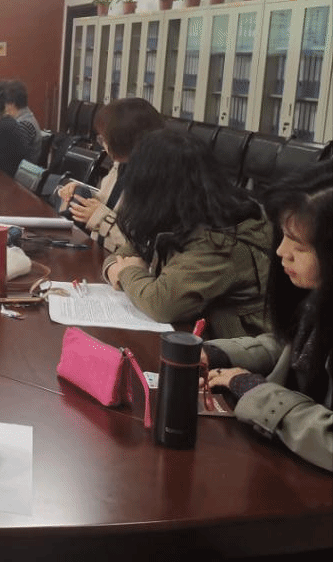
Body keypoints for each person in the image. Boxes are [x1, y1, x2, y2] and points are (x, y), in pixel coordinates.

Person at [202, 163, 332, 472]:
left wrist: (256, 392)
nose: (281, 252)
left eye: (299, 245)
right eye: (283, 236)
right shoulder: (319, 298)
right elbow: (295, 348)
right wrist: (219, 353)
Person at [103, 129, 271, 338]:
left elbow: (161, 304)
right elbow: (124, 254)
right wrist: (114, 268)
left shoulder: (220, 239)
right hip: (197, 337)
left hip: (231, 349)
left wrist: (125, 272)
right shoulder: (179, 214)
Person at [57, 97, 164, 252]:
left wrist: (99, 218)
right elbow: (110, 202)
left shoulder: (155, 181)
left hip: (121, 261)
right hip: (99, 250)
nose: (102, 144)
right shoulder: (121, 165)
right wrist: (81, 192)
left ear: (123, 140)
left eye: (104, 138)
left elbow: (141, 247)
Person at [2, 79, 42, 163]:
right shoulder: (26, 118)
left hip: (21, 170)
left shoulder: (24, 125)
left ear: (11, 103)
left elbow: (11, 157)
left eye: (4, 103)